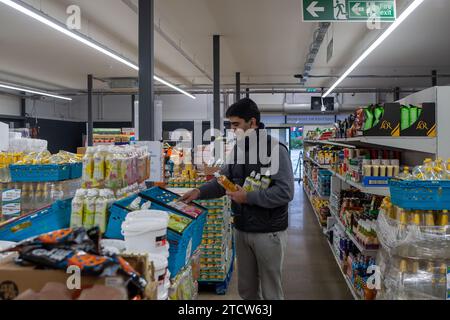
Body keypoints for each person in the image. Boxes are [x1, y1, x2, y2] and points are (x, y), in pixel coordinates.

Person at [180, 98, 295, 300]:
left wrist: (248, 197)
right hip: (242, 229)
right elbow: (222, 181)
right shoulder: (238, 151)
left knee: (271, 291)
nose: (233, 131)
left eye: (236, 125)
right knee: (246, 290)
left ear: (252, 123)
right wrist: (198, 191)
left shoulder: (276, 149)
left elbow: (285, 192)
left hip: (269, 232)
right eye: (231, 125)